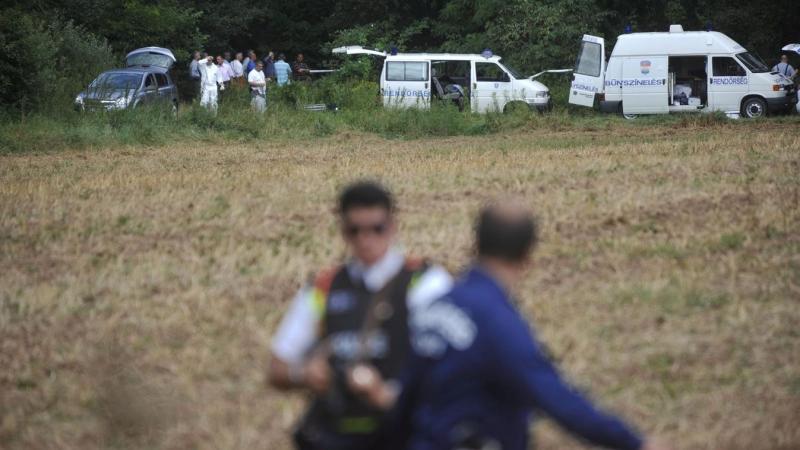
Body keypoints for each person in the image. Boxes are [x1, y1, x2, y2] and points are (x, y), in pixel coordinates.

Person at [348, 200, 672, 450]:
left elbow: (406, 398)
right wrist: (634, 442)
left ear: (476, 245)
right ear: (527, 256)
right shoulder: (498, 323)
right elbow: (555, 399)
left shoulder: (435, 307)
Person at [268, 181, 453, 450]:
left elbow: (456, 365)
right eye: (355, 230)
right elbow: (277, 368)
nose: (366, 240)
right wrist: (304, 374)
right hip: (337, 434)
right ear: (343, 231)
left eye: (377, 229)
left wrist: (387, 394)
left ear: (393, 226)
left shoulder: (425, 283)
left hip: (404, 433)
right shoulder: (324, 288)